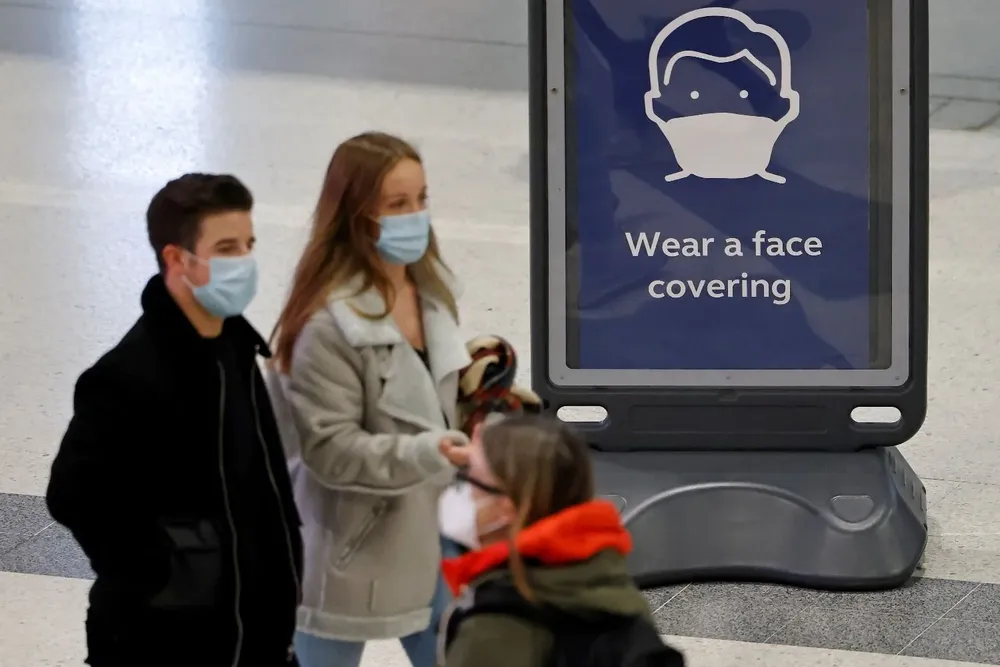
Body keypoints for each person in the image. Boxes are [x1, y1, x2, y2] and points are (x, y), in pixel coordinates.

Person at [45, 174, 304, 667]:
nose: (244, 261)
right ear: (176, 258)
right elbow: (71, 496)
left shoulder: (237, 354)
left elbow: (263, 486)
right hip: (161, 644)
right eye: (226, 248)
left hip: (256, 639)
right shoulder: (125, 377)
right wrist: (169, 572)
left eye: (248, 244)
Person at [266, 131, 472, 667]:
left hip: (427, 534)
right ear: (358, 215)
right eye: (398, 204)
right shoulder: (325, 325)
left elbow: (428, 399)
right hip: (347, 546)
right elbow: (329, 450)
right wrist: (429, 452)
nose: (416, 216)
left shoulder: (430, 293)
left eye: (422, 199)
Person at [438, 415, 684, 667]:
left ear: (507, 507)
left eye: (466, 477)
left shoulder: (496, 626)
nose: (456, 491)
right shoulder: (601, 578)